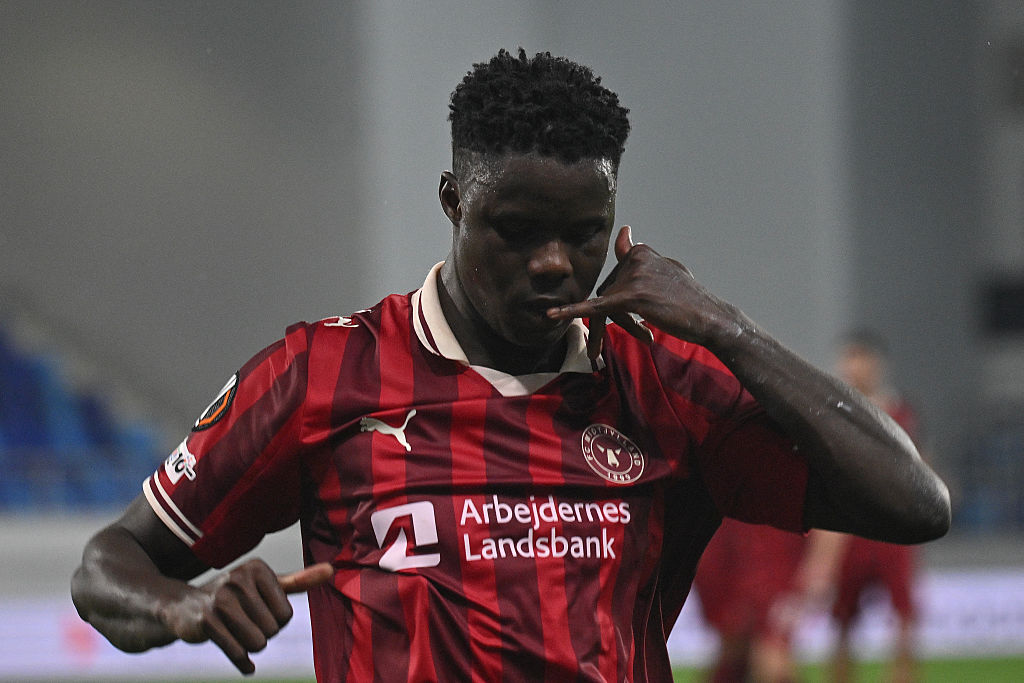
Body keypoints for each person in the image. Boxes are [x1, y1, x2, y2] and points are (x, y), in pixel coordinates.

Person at [71, 49, 950, 682]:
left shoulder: (662, 383)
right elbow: (108, 565)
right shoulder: (324, 372)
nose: (556, 263)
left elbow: (913, 503)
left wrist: (721, 324)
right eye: (518, 230)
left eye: (583, 232)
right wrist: (183, 606)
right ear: (455, 201)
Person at [825, 331, 926, 683]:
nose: (851, 366)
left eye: (858, 357)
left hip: (894, 532)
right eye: (847, 357)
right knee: (841, 623)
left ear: (876, 363)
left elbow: (920, 470)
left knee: (904, 619)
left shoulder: (901, 412)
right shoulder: (836, 412)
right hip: (852, 532)